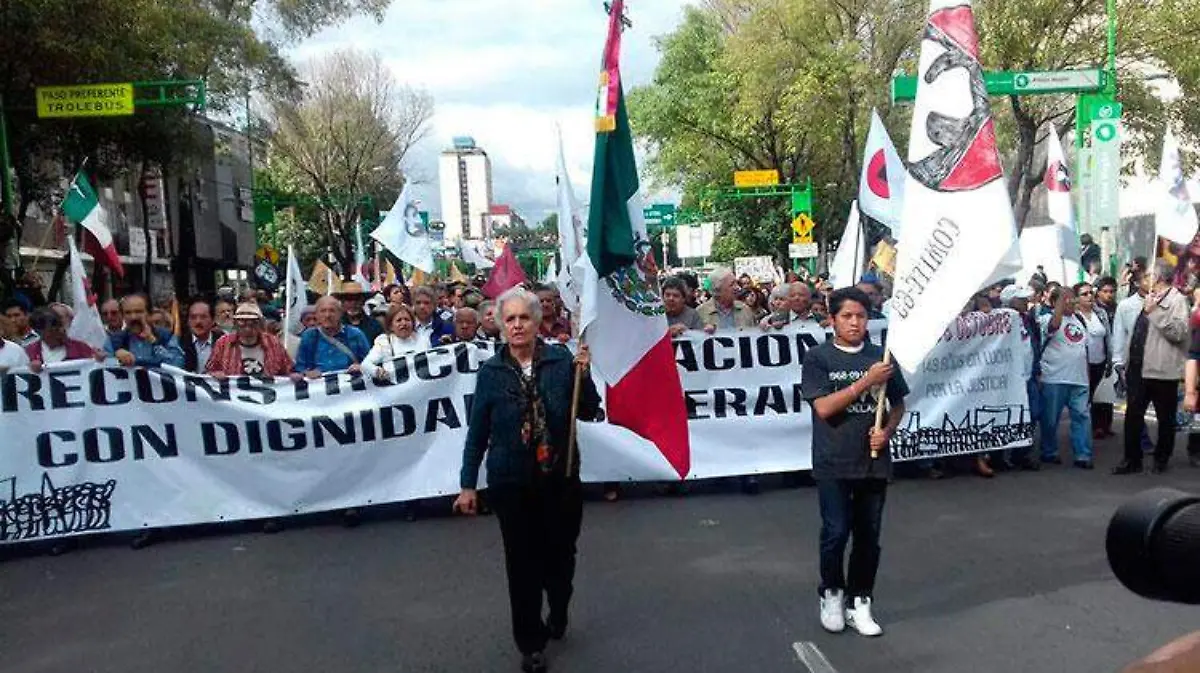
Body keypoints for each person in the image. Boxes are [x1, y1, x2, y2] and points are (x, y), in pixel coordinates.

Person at [455, 287, 601, 673]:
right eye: (510, 319)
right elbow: (477, 432)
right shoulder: (491, 372)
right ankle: (530, 642)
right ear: (501, 326)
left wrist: (583, 375)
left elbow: (588, 412)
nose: (517, 325)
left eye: (524, 318)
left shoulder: (560, 360)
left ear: (538, 323)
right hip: (510, 482)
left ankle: (559, 607)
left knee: (560, 557)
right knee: (521, 565)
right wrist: (468, 484)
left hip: (560, 476)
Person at [801, 287, 907, 638]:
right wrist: (866, 381)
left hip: (873, 463)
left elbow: (898, 405)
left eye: (860, 316)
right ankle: (831, 593)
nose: (854, 323)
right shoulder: (819, 358)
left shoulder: (882, 357)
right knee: (835, 532)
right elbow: (824, 408)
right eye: (846, 316)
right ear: (832, 320)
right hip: (833, 460)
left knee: (868, 536)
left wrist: (887, 430)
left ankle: (860, 600)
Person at [1114, 259, 1190, 475]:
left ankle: (1161, 458)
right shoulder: (1145, 299)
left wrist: (1155, 312)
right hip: (1137, 366)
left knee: (1165, 417)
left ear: (1157, 277)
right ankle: (1131, 459)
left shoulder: (1177, 300)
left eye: (1147, 275)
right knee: (1133, 416)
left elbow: (1179, 332)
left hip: (1161, 368)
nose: (1142, 279)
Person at [1037, 286, 1093, 469]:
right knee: (1051, 419)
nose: (1070, 302)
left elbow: (1082, 349)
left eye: (1071, 299)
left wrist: (1087, 375)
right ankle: (1049, 451)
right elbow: (1053, 326)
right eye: (1065, 299)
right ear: (1055, 302)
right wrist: (1060, 303)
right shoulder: (1046, 318)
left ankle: (1082, 454)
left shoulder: (1079, 320)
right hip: (1055, 377)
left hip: (1079, 378)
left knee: (1082, 417)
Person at [1000, 284, 1041, 470]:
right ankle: (999, 455)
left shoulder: (1028, 319)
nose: (1026, 302)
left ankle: (1021, 454)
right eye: (1022, 299)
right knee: (1006, 417)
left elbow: (1033, 344)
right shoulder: (1000, 321)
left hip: (1028, 375)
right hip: (1009, 378)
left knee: (1033, 413)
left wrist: (1037, 368)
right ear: (1011, 302)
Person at [205, 303, 294, 379]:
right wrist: (214, 374)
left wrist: (294, 376)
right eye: (242, 321)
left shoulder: (273, 343)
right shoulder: (223, 344)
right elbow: (208, 371)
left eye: (253, 321)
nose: (247, 326)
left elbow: (289, 370)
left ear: (260, 323)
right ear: (235, 323)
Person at [293, 296, 371, 379]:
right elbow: (299, 367)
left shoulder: (355, 334)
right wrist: (307, 373)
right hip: (319, 387)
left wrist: (360, 367)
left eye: (332, 311)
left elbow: (371, 363)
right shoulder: (309, 336)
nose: (327, 315)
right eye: (323, 311)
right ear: (317, 315)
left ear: (340, 313)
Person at [1073, 282, 1113, 440]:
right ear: (1076, 298)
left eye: (1091, 293)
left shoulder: (1101, 313)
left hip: (1101, 361)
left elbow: (1108, 336)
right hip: (1083, 363)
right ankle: (1083, 430)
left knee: (1101, 395)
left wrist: (1110, 359)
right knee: (1085, 397)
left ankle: (1100, 426)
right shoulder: (1074, 316)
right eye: (1084, 294)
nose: (1089, 296)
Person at [105, 295, 185, 368]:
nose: (133, 317)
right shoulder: (114, 341)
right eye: (128, 313)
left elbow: (177, 364)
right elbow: (105, 369)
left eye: (138, 312)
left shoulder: (166, 336)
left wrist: (153, 342)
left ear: (149, 313)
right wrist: (116, 359)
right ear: (123, 316)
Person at [24, 308, 104, 372]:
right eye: (53, 328)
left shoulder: (81, 348)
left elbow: (97, 371)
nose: (61, 330)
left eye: (60, 325)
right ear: (40, 332)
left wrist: (100, 361)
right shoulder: (30, 353)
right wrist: (29, 370)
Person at [363, 303, 425, 381]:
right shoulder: (384, 342)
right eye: (399, 320)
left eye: (407, 319)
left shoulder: (423, 338)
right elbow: (365, 365)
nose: (404, 323)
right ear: (391, 326)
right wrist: (378, 372)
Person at [697, 268, 756, 332]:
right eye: (732, 284)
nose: (737, 287)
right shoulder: (700, 313)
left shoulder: (745, 310)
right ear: (718, 290)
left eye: (736, 283)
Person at [181, 301, 223, 374]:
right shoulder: (179, 343)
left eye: (203, 317)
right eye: (193, 317)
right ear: (188, 321)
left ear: (213, 320)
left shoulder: (224, 342)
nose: (198, 321)